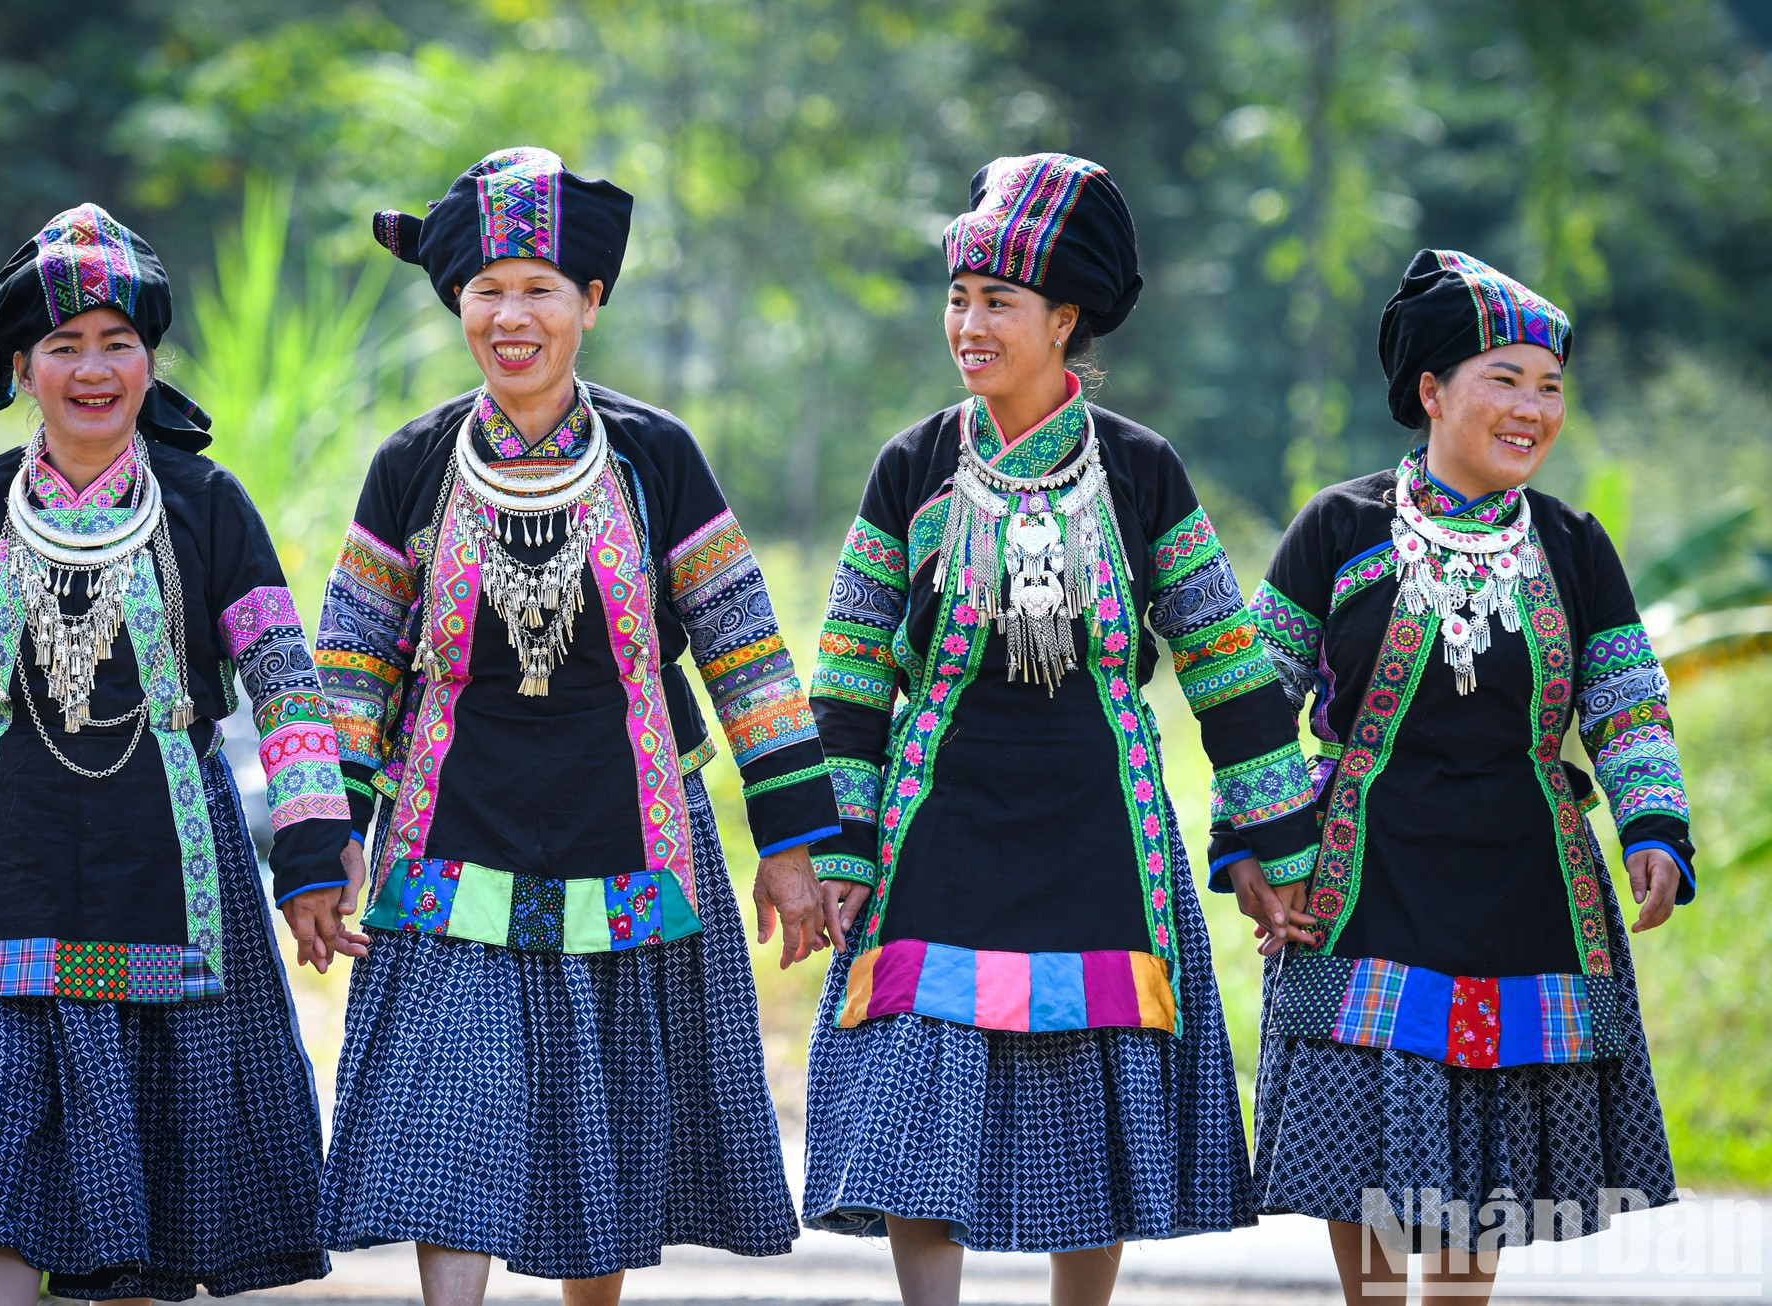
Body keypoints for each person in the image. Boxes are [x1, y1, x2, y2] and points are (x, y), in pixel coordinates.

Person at [0, 203, 360, 1300]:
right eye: (64, 345)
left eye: (117, 342)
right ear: (21, 367)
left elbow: (287, 689)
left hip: (170, 877)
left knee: (148, 1185)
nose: (92, 368)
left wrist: (308, 860)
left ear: (151, 361)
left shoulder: (208, 507)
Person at [313, 146, 839, 1306]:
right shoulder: (410, 465)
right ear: (458, 304)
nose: (512, 314)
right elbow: (350, 672)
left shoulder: (657, 458)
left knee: (592, 1144)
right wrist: (323, 842)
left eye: (540, 287)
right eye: (487, 288)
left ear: (590, 303)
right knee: (450, 1126)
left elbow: (747, 655)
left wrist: (793, 842)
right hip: (449, 839)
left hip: (628, 839)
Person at [800, 152, 1321, 1306]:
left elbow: (1224, 668)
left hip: (1099, 823)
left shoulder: (1142, 471)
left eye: (998, 301)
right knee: (919, 1097)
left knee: (1092, 1083)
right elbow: (845, 671)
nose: (969, 323)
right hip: (934, 820)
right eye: (957, 297)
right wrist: (837, 844)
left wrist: (1276, 854)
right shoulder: (913, 467)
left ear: (1064, 318)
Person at [1237, 249, 1689, 1304]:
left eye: (1549, 386)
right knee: (1370, 1152)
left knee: (1472, 1152)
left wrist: (1652, 826)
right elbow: (1253, 702)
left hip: (1518, 887)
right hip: (1358, 885)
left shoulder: (1574, 548)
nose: (1532, 407)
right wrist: (1266, 845)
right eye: (1504, 378)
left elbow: (1623, 701)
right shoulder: (1338, 530)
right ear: (1430, 392)